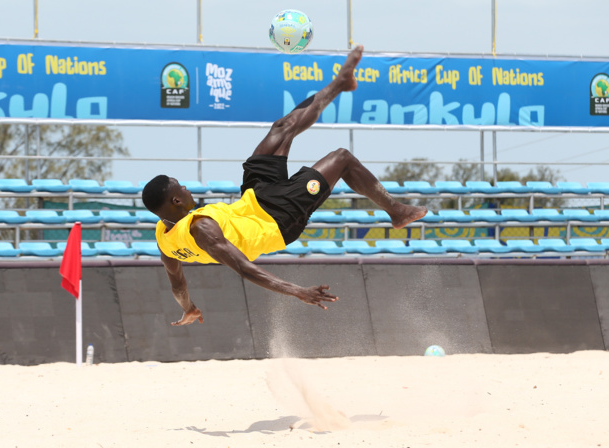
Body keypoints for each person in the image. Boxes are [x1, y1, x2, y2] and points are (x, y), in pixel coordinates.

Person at [142, 45, 427, 326]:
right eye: (181, 188)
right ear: (176, 201)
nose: (187, 189)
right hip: (277, 219)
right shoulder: (200, 229)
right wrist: (297, 291)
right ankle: (396, 211)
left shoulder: (164, 238)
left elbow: (177, 283)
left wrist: (188, 307)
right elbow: (244, 267)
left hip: (254, 200)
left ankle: (340, 84)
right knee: (341, 158)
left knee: (282, 127)